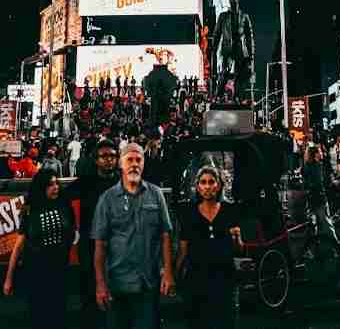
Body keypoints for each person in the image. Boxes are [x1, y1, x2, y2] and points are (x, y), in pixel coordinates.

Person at [92, 141, 173, 329]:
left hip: (148, 284)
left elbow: (165, 236)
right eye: (129, 160)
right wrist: (100, 284)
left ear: (144, 164)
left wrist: (168, 272)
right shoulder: (107, 199)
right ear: (121, 164)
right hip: (117, 285)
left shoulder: (156, 195)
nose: (134, 164)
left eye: (138, 160)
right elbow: (100, 245)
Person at [5, 169, 75, 329]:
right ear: (41, 187)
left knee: (59, 314)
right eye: (50, 184)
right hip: (36, 272)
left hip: (60, 271)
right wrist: (9, 277)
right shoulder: (29, 208)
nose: (55, 187)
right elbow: (19, 244)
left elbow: (71, 233)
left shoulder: (64, 204)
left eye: (57, 183)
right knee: (38, 316)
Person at [175, 166, 241, 329]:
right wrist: (175, 276)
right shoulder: (189, 213)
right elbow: (183, 251)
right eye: (203, 182)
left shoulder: (229, 211)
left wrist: (237, 237)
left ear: (219, 185)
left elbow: (238, 249)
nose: (207, 186)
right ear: (197, 186)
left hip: (224, 278)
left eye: (211, 182)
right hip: (196, 279)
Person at [73, 139, 120, 329]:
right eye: (104, 156)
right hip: (90, 246)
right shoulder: (86, 182)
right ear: (96, 160)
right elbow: (59, 195)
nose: (109, 160)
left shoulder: (123, 181)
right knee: (90, 294)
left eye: (112, 156)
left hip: (118, 247)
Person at [303, 143, 340, 253]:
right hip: (320, 198)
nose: (322, 153)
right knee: (328, 225)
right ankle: (338, 249)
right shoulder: (317, 166)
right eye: (320, 151)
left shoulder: (307, 165)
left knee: (314, 225)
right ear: (316, 154)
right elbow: (318, 183)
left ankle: (312, 251)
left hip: (311, 199)